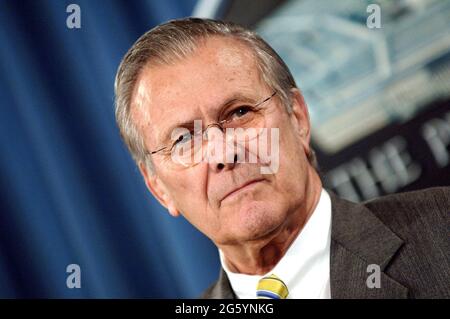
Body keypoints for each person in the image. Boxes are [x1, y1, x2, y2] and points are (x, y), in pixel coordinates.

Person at [114, 18, 450, 299]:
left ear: (298, 118)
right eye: (184, 139)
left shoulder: (441, 234)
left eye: (240, 112)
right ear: (159, 188)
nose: (223, 153)